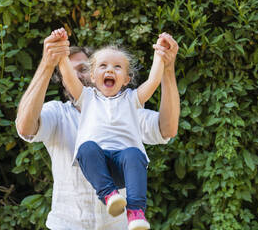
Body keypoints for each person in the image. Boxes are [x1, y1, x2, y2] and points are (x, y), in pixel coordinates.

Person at [16, 28, 180, 230]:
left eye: (83, 68)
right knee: (87, 149)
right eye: (102, 65)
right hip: (68, 225)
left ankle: (136, 210)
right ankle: (109, 194)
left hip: (118, 226)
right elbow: (25, 127)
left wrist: (167, 65)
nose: (78, 74)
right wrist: (50, 62)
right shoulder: (58, 113)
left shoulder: (128, 109)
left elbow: (168, 129)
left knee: (133, 154)